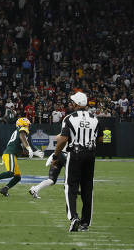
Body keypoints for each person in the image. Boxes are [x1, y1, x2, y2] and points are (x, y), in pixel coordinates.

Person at [52, 91, 99, 232]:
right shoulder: (95, 118)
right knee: (87, 188)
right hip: (90, 155)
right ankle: (85, 223)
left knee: (70, 187)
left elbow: (63, 139)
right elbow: (101, 138)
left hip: (75, 154)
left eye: (73, 102)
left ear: (77, 104)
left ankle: (74, 218)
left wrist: (55, 156)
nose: (71, 104)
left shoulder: (69, 118)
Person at [0, 117, 37, 197]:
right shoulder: (22, 131)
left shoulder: (18, 132)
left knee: (17, 177)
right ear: (22, 125)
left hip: (11, 154)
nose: (28, 127)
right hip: (9, 154)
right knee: (10, 172)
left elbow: (20, 151)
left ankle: (5, 189)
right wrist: (29, 148)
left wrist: (34, 153)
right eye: (27, 125)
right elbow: (22, 137)